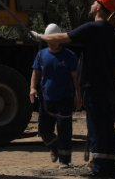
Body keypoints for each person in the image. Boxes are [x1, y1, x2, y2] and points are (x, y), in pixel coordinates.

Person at [34, 0, 115, 179]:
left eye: (94, 2)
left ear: (99, 7)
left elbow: (63, 37)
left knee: (96, 126)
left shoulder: (91, 28)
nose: (91, 5)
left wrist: (41, 36)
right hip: (108, 85)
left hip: (93, 85)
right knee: (107, 125)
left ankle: (99, 168)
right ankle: (109, 166)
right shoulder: (113, 32)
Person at [30, 23, 80, 165]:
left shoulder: (69, 56)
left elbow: (75, 78)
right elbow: (36, 73)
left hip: (64, 99)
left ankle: (64, 161)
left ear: (58, 39)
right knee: (43, 130)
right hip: (46, 99)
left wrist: (78, 95)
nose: (51, 42)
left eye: (53, 39)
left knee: (64, 131)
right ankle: (54, 147)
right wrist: (32, 88)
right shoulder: (41, 55)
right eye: (48, 40)